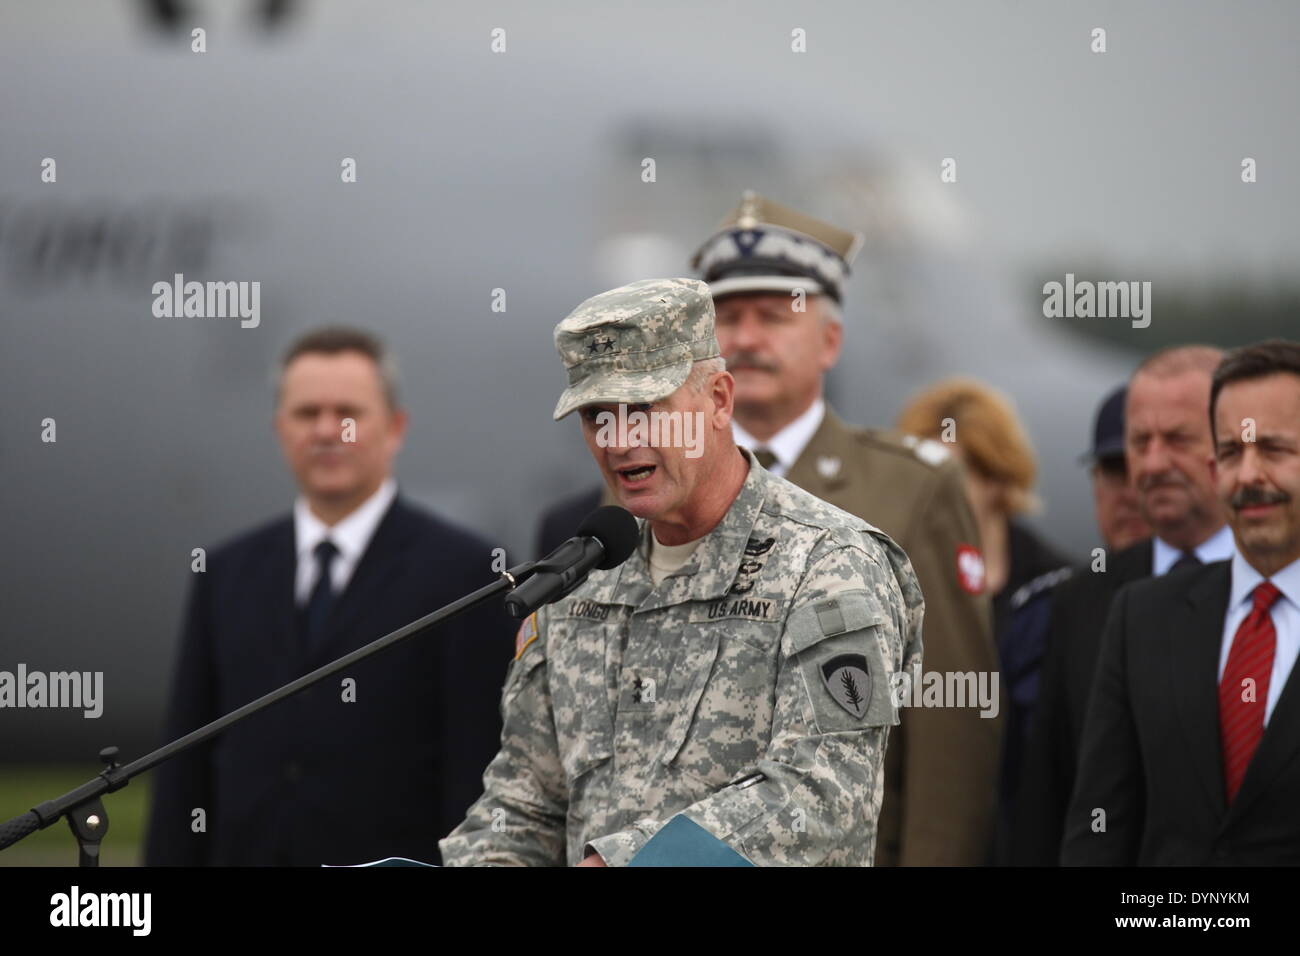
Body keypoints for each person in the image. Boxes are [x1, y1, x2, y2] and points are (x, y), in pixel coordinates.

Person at [440, 278, 923, 866]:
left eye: (645, 410)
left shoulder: (829, 564)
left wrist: (624, 861)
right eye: (598, 417)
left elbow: (824, 795)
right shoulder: (579, 579)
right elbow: (523, 808)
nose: (621, 440)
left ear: (719, 400)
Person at [690, 192, 999, 866]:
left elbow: (949, 721)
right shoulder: (649, 488)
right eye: (727, 321)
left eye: (773, 317)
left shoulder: (912, 489)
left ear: (830, 340)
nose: (745, 339)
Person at [145, 327, 514, 866]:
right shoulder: (224, 573)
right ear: (278, 428)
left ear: (394, 428)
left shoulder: (467, 575)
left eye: (347, 412)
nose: (325, 431)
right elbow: (186, 769)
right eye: (305, 413)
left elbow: (478, 769)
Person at [1063, 340, 1300, 865]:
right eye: (1233, 453)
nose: (1249, 476)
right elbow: (1101, 824)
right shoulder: (1142, 616)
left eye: (1275, 450)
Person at [1014, 345, 1231, 865]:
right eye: (1140, 442)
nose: (1152, 464)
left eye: (1177, 439)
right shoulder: (1082, 599)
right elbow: (1047, 796)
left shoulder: (1280, 590)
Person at [895, 378, 1073, 864]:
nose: (928, 496)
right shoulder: (892, 594)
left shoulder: (1063, 594)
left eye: (948, 477)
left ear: (998, 478)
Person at [1083, 385, 1151, 553]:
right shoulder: (1091, 574)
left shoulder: (1222, 577)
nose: (1131, 496)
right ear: (1095, 482)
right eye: (1116, 472)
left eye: (1147, 476)